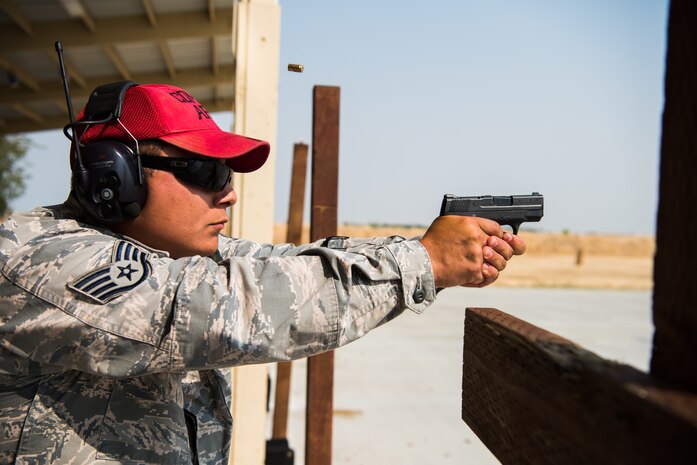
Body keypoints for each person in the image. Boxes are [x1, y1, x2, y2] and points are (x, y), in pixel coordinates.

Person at [0, 82, 525, 465]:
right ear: (117, 173)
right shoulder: (35, 258)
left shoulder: (167, 252)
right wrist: (424, 262)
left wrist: (423, 250)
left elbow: (285, 265)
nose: (227, 192)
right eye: (207, 173)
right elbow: (228, 308)